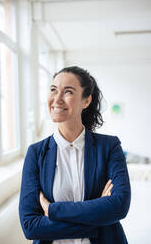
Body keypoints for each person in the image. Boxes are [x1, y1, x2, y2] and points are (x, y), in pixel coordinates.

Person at [19, 66, 131, 244]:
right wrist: (98, 217)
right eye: (53, 90)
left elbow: (120, 206)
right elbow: (30, 225)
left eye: (68, 92)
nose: (57, 99)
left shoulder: (109, 147)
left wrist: (53, 210)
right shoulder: (36, 153)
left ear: (86, 101)